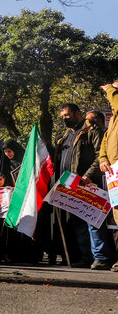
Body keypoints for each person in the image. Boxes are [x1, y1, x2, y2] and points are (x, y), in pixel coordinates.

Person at [55, 103, 113, 270]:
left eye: (67, 115)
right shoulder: (66, 135)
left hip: (88, 184)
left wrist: (88, 174)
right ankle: (86, 257)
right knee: (78, 224)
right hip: (70, 185)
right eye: (62, 117)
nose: (64, 119)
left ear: (77, 114)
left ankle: (101, 257)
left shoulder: (92, 131)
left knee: (93, 221)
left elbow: (100, 155)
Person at [98, 81, 118, 272]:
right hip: (114, 174)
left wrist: (110, 88)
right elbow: (105, 142)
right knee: (117, 215)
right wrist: (103, 159)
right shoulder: (113, 120)